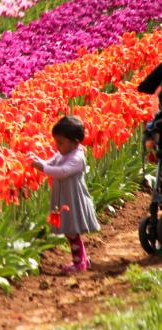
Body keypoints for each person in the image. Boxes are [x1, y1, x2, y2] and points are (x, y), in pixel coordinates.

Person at [30, 116, 101, 273]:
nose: (57, 146)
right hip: (64, 199)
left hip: (73, 200)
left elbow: (62, 172)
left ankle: (79, 263)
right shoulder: (63, 153)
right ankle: (82, 260)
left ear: (75, 141)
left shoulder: (77, 157)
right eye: (57, 142)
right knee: (71, 233)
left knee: (71, 231)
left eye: (60, 142)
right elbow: (51, 162)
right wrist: (39, 161)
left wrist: (42, 168)